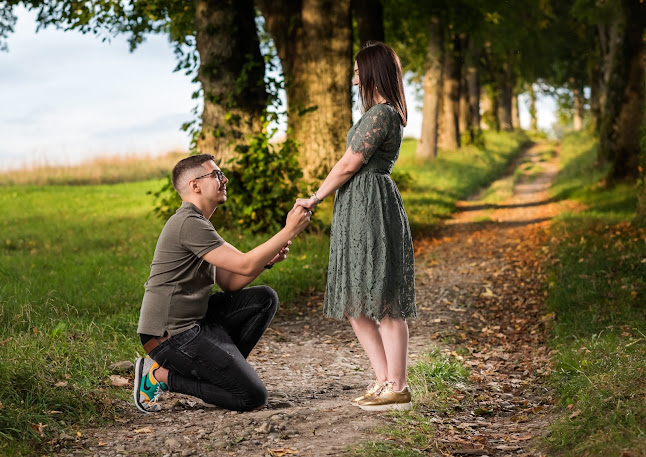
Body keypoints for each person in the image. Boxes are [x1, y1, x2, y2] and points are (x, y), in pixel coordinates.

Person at [134, 154, 311, 413]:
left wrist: (267, 261)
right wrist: (289, 230)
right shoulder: (188, 224)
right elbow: (245, 264)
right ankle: (160, 376)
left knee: (263, 299)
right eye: (216, 174)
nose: (224, 178)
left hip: (194, 323)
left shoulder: (199, 223)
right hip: (170, 337)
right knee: (252, 397)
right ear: (195, 185)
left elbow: (230, 283)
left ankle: (220, 374)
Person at [295, 41, 416, 411]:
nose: (353, 76)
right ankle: (384, 382)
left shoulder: (382, 114)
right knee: (356, 301)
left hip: (371, 205)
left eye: (357, 69)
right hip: (357, 205)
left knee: (385, 298)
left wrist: (315, 197)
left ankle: (397, 384)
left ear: (372, 71)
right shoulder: (377, 113)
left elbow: (350, 163)